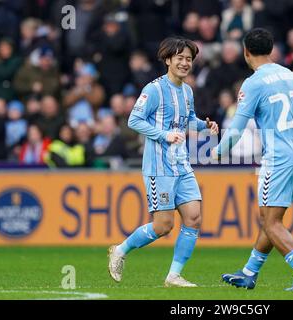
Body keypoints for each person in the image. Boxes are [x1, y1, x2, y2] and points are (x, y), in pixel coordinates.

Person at [212, 28, 293, 291]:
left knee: (271, 222)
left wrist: (217, 152)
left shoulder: (253, 83)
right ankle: (249, 272)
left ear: (246, 52)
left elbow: (236, 129)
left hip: (279, 159)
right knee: (269, 219)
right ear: (271, 50)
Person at [107, 37, 219, 287]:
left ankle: (174, 275)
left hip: (182, 164)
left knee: (193, 218)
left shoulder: (187, 90)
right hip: (159, 167)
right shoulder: (153, 90)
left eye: (189, 59)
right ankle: (120, 250)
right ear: (168, 60)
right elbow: (134, 121)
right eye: (180, 58)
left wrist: (205, 125)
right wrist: (164, 135)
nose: (185, 63)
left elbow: (187, 119)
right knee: (163, 225)